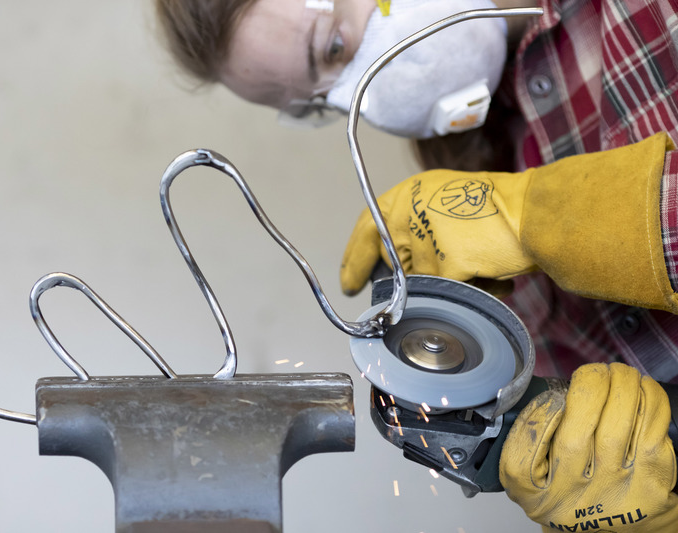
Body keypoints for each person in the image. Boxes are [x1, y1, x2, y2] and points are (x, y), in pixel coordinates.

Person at [155, 0, 678, 530]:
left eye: (332, 47)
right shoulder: (477, 143)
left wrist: (539, 220)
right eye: (320, 104)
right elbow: (606, 429)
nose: (360, 103)